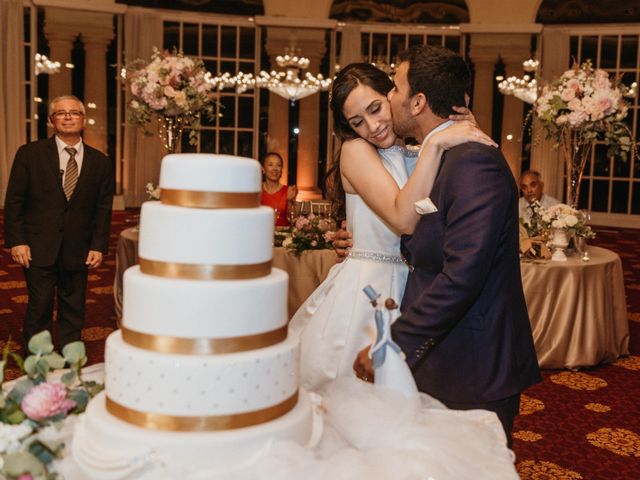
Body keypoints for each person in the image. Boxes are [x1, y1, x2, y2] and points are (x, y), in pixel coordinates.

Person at [353, 45, 541, 447]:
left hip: (473, 364)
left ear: (418, 102)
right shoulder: (441, 155)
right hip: (446, 357)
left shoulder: (474, 162)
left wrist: (393, 344)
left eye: (396, 88)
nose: (389, 98)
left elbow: (462, 276)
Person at [288, 62, 495, 393]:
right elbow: (402, 219)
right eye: (357, 122)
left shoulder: (417, 148)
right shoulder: (356, 151)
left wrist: (453, 132)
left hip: (416, 288)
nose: (372, 126)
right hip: (367, 288)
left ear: (394, 97)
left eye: (376, 108)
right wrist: (436, 144)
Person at [4, 95, 114, 352]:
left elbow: (103, 209)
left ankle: (70, 358)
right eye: (61, 113)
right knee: (39, 305)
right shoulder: (29, 154)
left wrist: (98, 245)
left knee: (73, 306)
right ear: (52, 121)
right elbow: (14, 201)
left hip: (79, 248)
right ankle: (37, 359)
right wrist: (17, 241)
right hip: (37, 246)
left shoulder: (100, 162)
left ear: (83, 120)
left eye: (74, 113)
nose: (68, 117)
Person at [260, 151, 298, 226]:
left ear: (281, 170)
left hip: (283, 235)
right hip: (261, 233)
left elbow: (293, 218)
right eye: (270, 165)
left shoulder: (288, 190)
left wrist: (290, 200)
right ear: (263, 169)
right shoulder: (256, 190)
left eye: (278, 165)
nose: (275, 168)